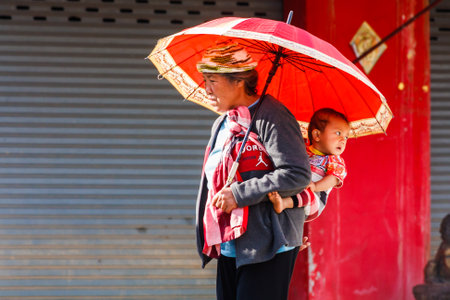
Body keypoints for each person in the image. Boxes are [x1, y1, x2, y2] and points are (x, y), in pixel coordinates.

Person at [195, 40, 311, 300]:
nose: (206, 89)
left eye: (212, 80)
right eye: (204, 80)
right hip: (230, 243)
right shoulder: (222, 123)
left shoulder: (273, 116)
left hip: (268, 243)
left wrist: (240, 193)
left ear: (238, 81)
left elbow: (297, 173)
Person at [268, 108, 350, 221]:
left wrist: (316, 186)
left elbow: (334, 179)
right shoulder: (303, 150)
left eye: (346, 137)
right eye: (338, 133)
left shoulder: (334, 160)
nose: (343, 140)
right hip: (296, 187)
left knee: (306, 195)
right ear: (317, 135)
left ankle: (284, 203)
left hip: (315, 200)